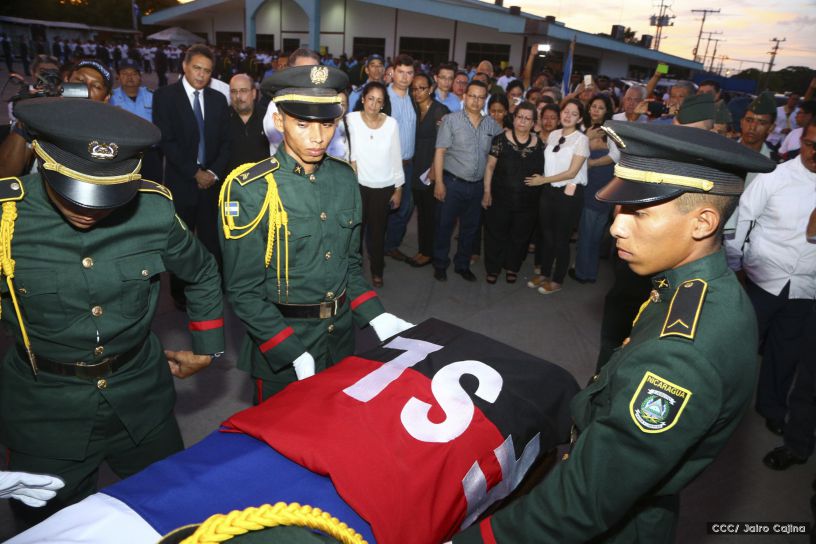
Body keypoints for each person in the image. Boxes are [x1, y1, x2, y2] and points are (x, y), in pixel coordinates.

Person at [450, 120, 776, 544]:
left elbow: (581, 504)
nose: (616, 226)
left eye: (639, 212)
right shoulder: (695, 290)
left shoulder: (682, 355)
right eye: (620, 209)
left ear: (703, 222)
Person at [1, 97, 225, 531]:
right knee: (49, 530)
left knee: (176, 516)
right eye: (73, 191)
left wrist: (209, 347)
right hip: (44, 413)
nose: (88, 209)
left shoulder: (153, 209)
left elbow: (201, 272)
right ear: (41, 159)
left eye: (106, 196)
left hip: (142, 399)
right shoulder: (8, 217)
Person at [218, 65, 411, 401]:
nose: (318, 137)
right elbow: (243, 290)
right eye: (303, 124)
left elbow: (350, 266)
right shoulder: (252, 188)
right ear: (279, 122)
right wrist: (290, 349)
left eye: (327, 123)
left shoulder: (344, 178)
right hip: (282, 346)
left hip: (339, 343)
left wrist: (376, 315)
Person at [725, 119, 816, 443]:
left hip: (806, 288)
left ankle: (771, 407)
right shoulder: (774, 177)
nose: (815, 153)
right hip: (763, 279)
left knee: (786, 353)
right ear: (800, 141)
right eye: (810, 144)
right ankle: (723, 409)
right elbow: (741, 221)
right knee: (741, 348)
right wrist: (736, 266)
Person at [152, 44, 231, 308]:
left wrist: (212, 172)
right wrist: (194, 172)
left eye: (207, 71)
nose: (201, 75)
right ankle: (180, 294)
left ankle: (213, 288)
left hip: (211, 183)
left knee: (212, 241)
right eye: (197, 68)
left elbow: (225, 143)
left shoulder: (219, 99)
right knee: (181, 243)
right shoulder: (165, 96)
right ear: (185, 66)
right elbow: (167, 141)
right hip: (181, 182)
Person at [432, 80, 503, 282]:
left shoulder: (492, 125)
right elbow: (440, 152)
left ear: (485, 100)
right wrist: (439, 182)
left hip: (477, 186)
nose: (476, 100)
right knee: (444, 226)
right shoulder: (451, 121)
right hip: (452, 183)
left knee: (470, 229)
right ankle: (440, 263)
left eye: (481, 97)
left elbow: (497, 153)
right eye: (472, 95)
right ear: (464, 97)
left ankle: (462, 265)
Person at [525, 99, 589, 294]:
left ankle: (558, 279)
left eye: (574, 113)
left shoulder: (581, 139)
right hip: (549, 191)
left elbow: (571, 172)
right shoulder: (553, 134)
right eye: (566, 111)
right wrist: (545, 182)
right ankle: (544, 273)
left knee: (561, 239)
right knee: (547, 236)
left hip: (569, 193)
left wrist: (543, 180)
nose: (568, 116)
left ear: (579, 118)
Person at [347, 82, 404, 288]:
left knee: (377, 234)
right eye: (370, 98)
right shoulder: (350, 120)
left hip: (383, 186)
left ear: (383, 104)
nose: (374, 104)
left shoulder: (391, 124)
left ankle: (377, 270)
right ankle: (354, 273)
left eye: (379, 100)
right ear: (363, 99)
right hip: (357, 186)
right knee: (355, 234)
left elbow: (396, 157)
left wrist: (398, 188)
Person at [482, 101, 543, 284]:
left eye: (527, 118)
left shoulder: (540, 144)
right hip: (500, 197)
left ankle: (512, 267)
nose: (522, 121)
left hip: (528, 201)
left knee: (520, 236)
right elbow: (490, 167)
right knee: (495, 234)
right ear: (514, 118)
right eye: (519, 117)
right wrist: (487, 191)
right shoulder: (500, 140)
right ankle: (493, 268)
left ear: (533, 123)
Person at [572, 94, 616, 284]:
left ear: (607, 111)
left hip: (605, 187)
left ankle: (584, 273)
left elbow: (616, 157)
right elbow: (572, 156)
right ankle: (587, 271)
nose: (596, 110)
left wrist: (592, 163)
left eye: (601, 107)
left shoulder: (612, 131)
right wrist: (585, 138)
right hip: (588, 186)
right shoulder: (582, 130)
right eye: (593, 106)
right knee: (588, 232)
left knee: (593, 233)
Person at [407, 72, 449, 269]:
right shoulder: (413, 109)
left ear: (431, 89)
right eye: (414, 88)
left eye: (422, 88)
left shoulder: (440, 111)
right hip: (415, 168)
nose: (417, 92)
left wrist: (434, 169)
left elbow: (444, 144)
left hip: (431, 170)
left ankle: (429, 252)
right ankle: (423, 249)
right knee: (421, 212)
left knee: (430, 214)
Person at [383, 54, 416, 263]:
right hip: (386, 164)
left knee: (405, 207)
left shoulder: (415, 98)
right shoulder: (383, 98)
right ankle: (376, 248)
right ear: (392, 72)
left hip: (409, 164)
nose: (405, 77)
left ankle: (391, 245)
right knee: (382, 208)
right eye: (401, 72)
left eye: (409, 73)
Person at [225, 73, 268, 175]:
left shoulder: (268, 118)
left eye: (243, 91)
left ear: (254, 93)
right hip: (231, 184)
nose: (238, 96)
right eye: (233, 91)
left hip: (264, 183)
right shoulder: (222, 119)